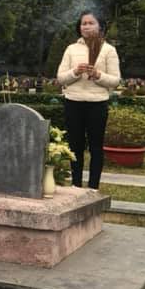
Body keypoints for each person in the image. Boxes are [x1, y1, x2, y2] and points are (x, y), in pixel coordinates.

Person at [56, 11, 121, 189]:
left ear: (100, 26)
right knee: (75, 146)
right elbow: (61, 78)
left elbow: (115, 80)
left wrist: (98, 75)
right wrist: (75, 72)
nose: (86, 26)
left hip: (97, 104)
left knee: (95, 147)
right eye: (83, 23)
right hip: (73, 102)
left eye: (91, 23)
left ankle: (93, 187)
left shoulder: (108, 50)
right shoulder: (71, 49)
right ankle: (76, 185)